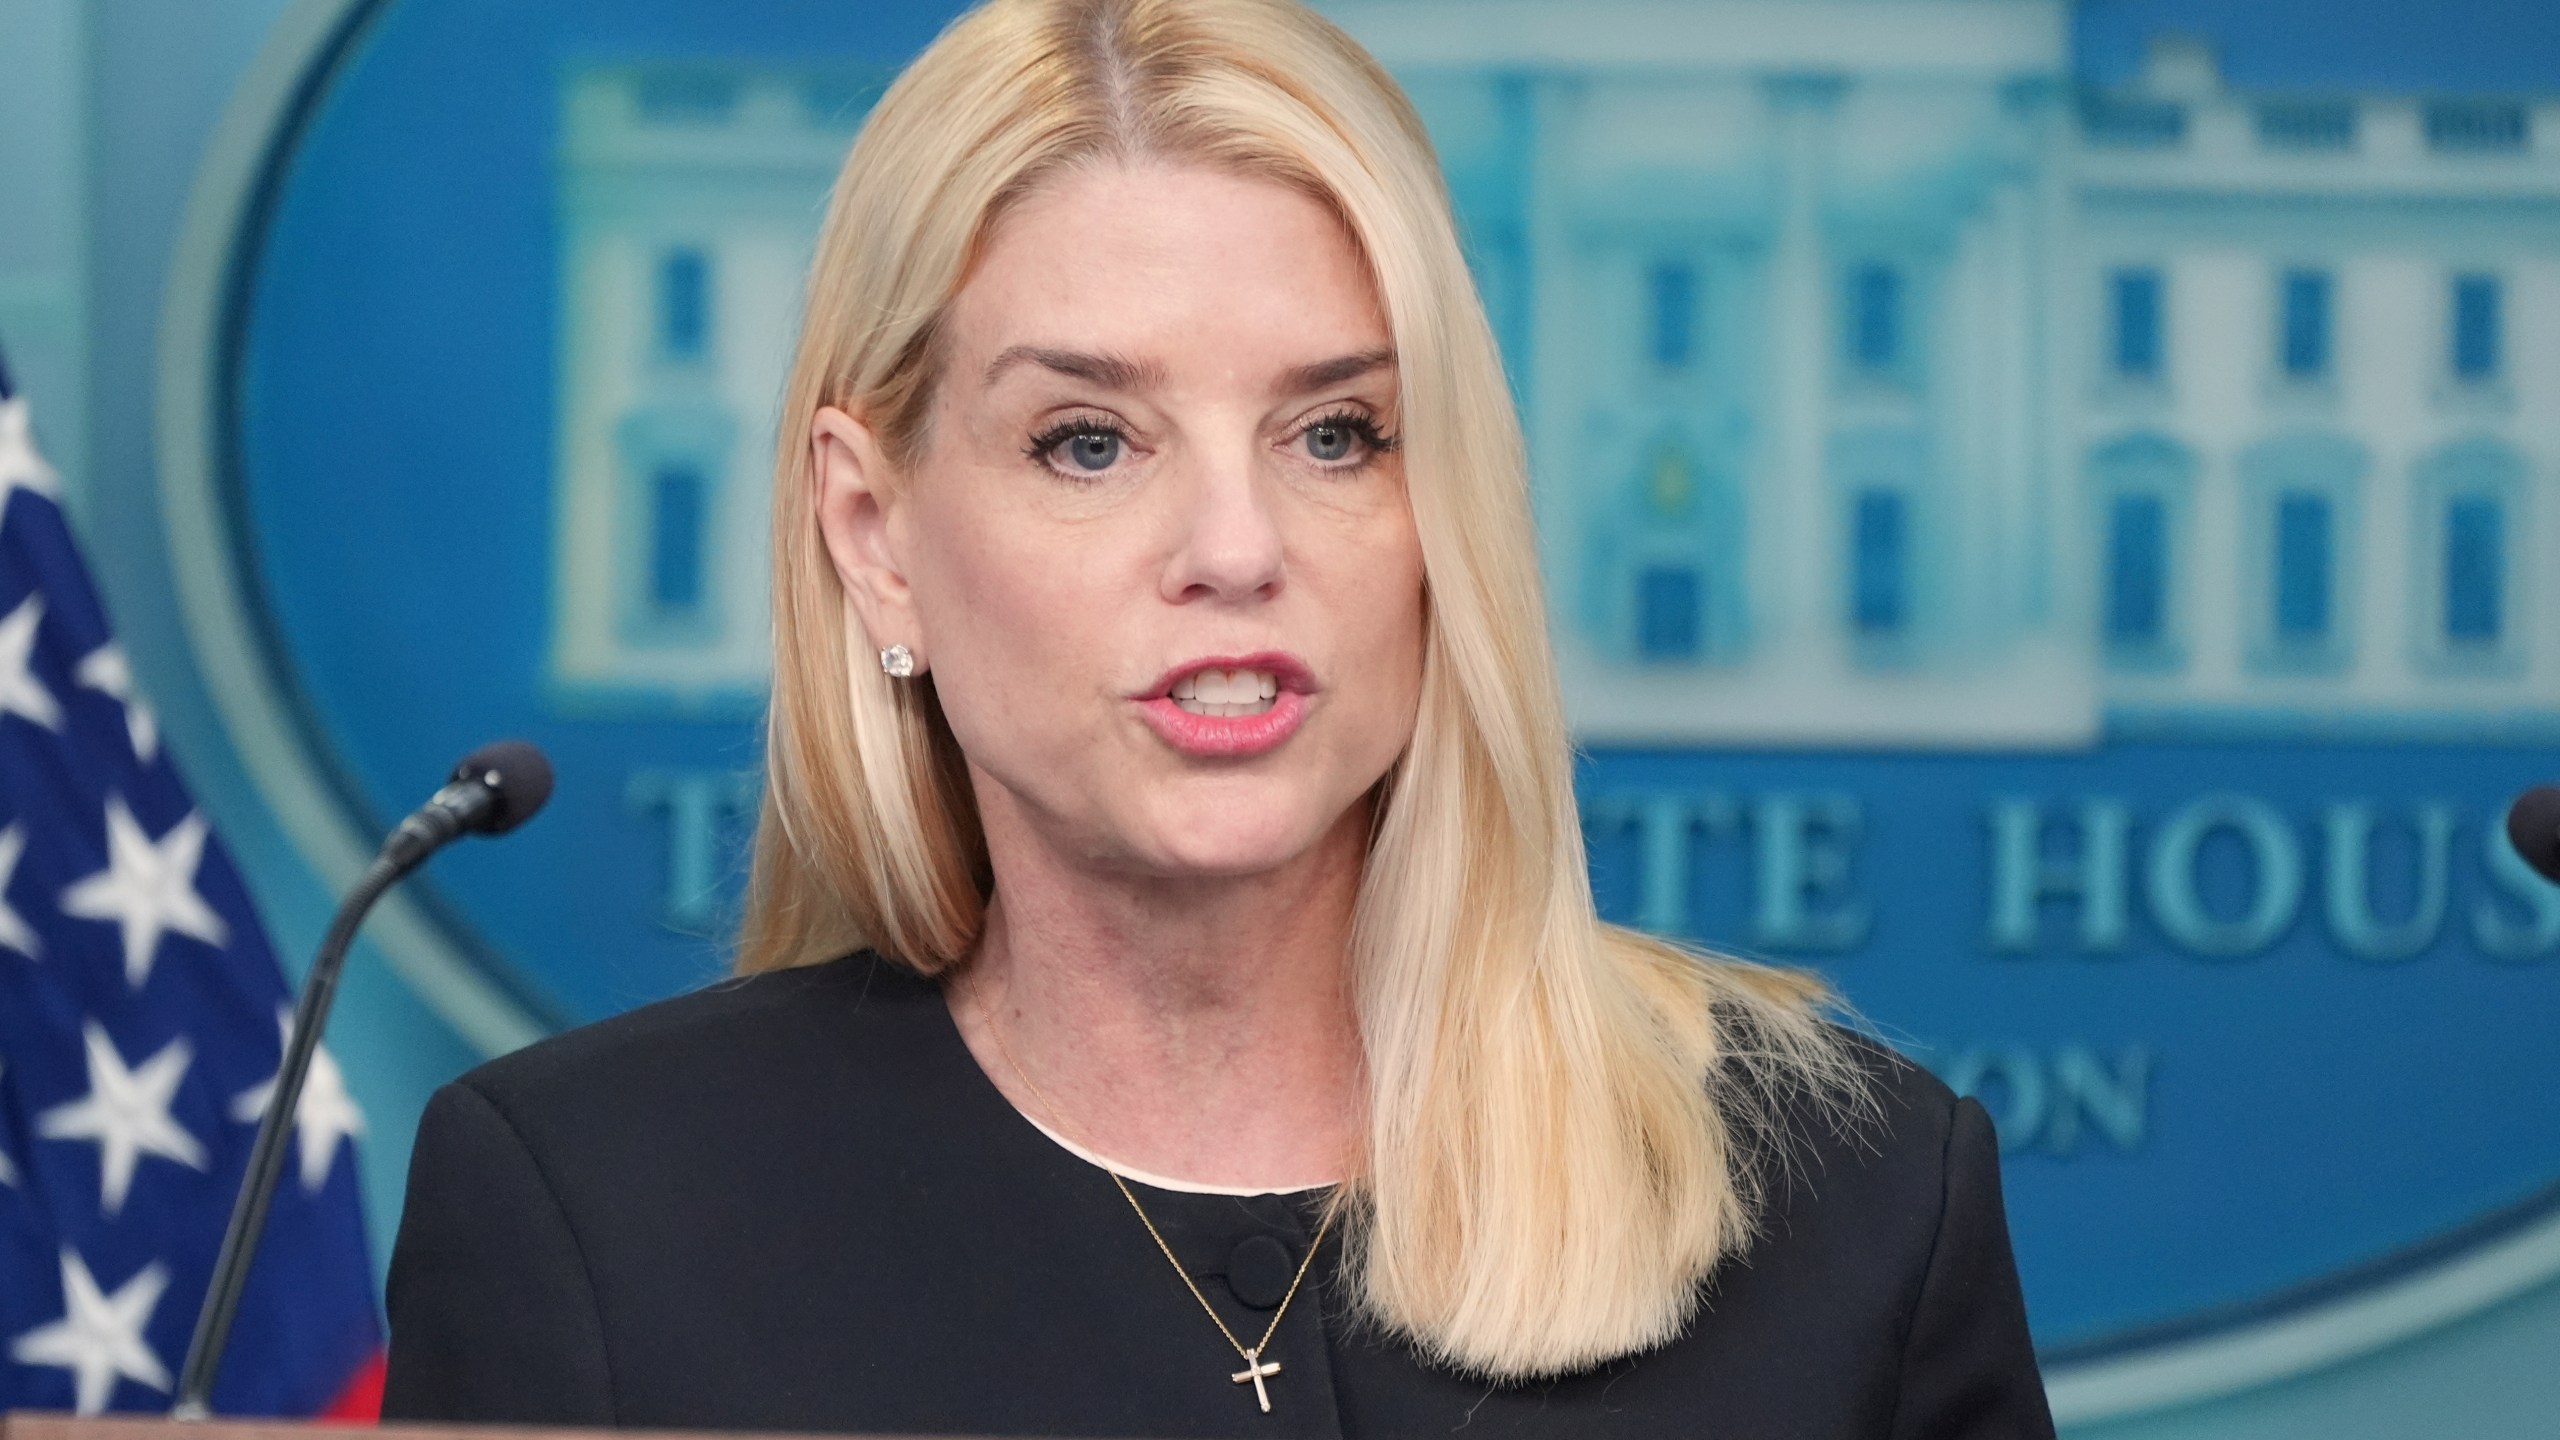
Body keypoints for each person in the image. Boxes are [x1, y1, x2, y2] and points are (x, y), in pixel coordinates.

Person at [380, 0, 2055, 1434]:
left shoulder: (1859, 1205)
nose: (1237, 551)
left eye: (1336, 434)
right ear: (874, 539)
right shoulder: (589, 1214)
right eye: (1090, 442)